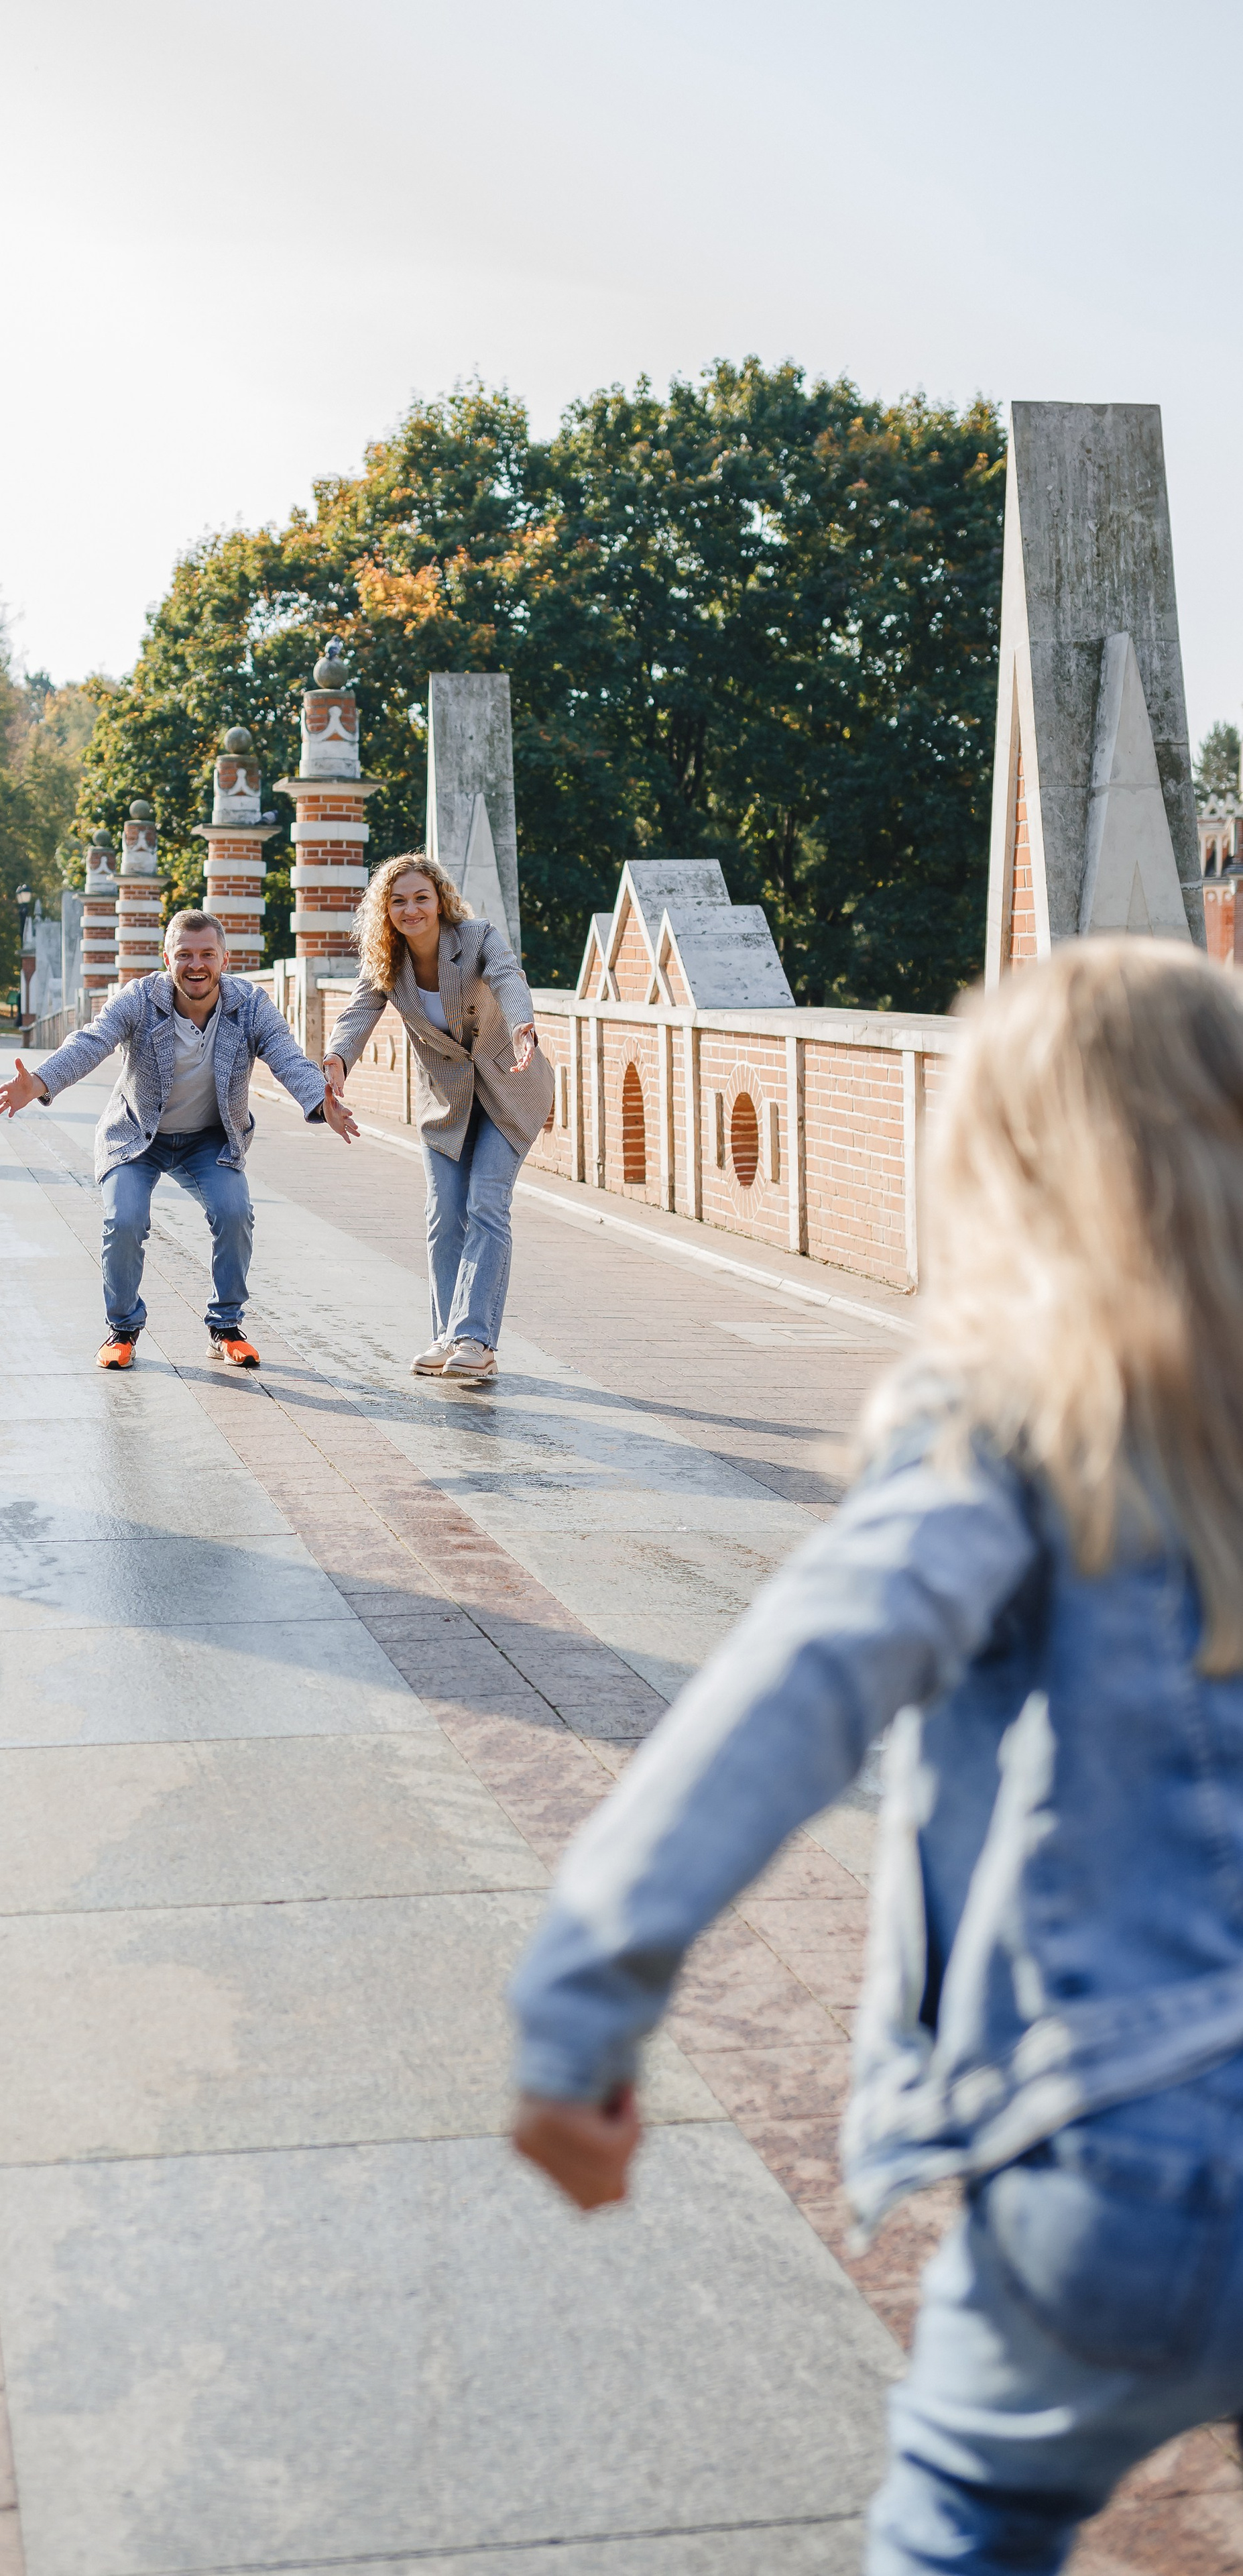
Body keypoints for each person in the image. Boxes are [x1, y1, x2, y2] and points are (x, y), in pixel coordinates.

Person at [508, 936, 1243, 2573]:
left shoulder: (1008, 1425)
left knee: (965, 2523)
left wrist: (580, 2002)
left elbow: (799, 1685)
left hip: (1110, 2134)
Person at [0, 909, 359, 1370]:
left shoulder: (250, 1005)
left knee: (235, 1214)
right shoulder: (140, 999)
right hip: (136, 1137)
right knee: (125, 1220)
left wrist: (319, 1101)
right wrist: (40, 1082)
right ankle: (122, 1330)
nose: (196, 965)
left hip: (209, 1139)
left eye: (207, 954)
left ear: (224, 959)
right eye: (185, 954)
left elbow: (287, 1055)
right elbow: (93, 1041)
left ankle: (225, 1328)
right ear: (168, 959)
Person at [322, 853, 552, 1384]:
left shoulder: (477, 937)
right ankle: (448, 1335)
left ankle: (476, 1341)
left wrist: (522, 1026)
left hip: (508, 1088)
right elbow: (358, 1013)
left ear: (440, 900)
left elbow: (509, 978)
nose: (411, 909)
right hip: (446, 1101)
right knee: (444, 1214)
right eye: (398, 901)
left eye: (421, 898)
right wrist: (336, 1058)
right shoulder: (386, 962)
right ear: (385, 910)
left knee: (486, 1203)